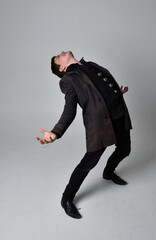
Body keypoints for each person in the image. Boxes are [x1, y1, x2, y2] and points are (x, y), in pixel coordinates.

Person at [36, 51, 132, 219]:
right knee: (88, 163)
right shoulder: (68, 80)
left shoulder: (90, 65)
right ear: (62, 67)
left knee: (124, 149)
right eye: (58, 57)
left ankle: (108, 172)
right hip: (100, 124)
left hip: (119, 114)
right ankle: (66, 198)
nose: (61, 52)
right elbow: (69, 110)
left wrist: (117, 93)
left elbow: (101, 87)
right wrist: (56, 132)